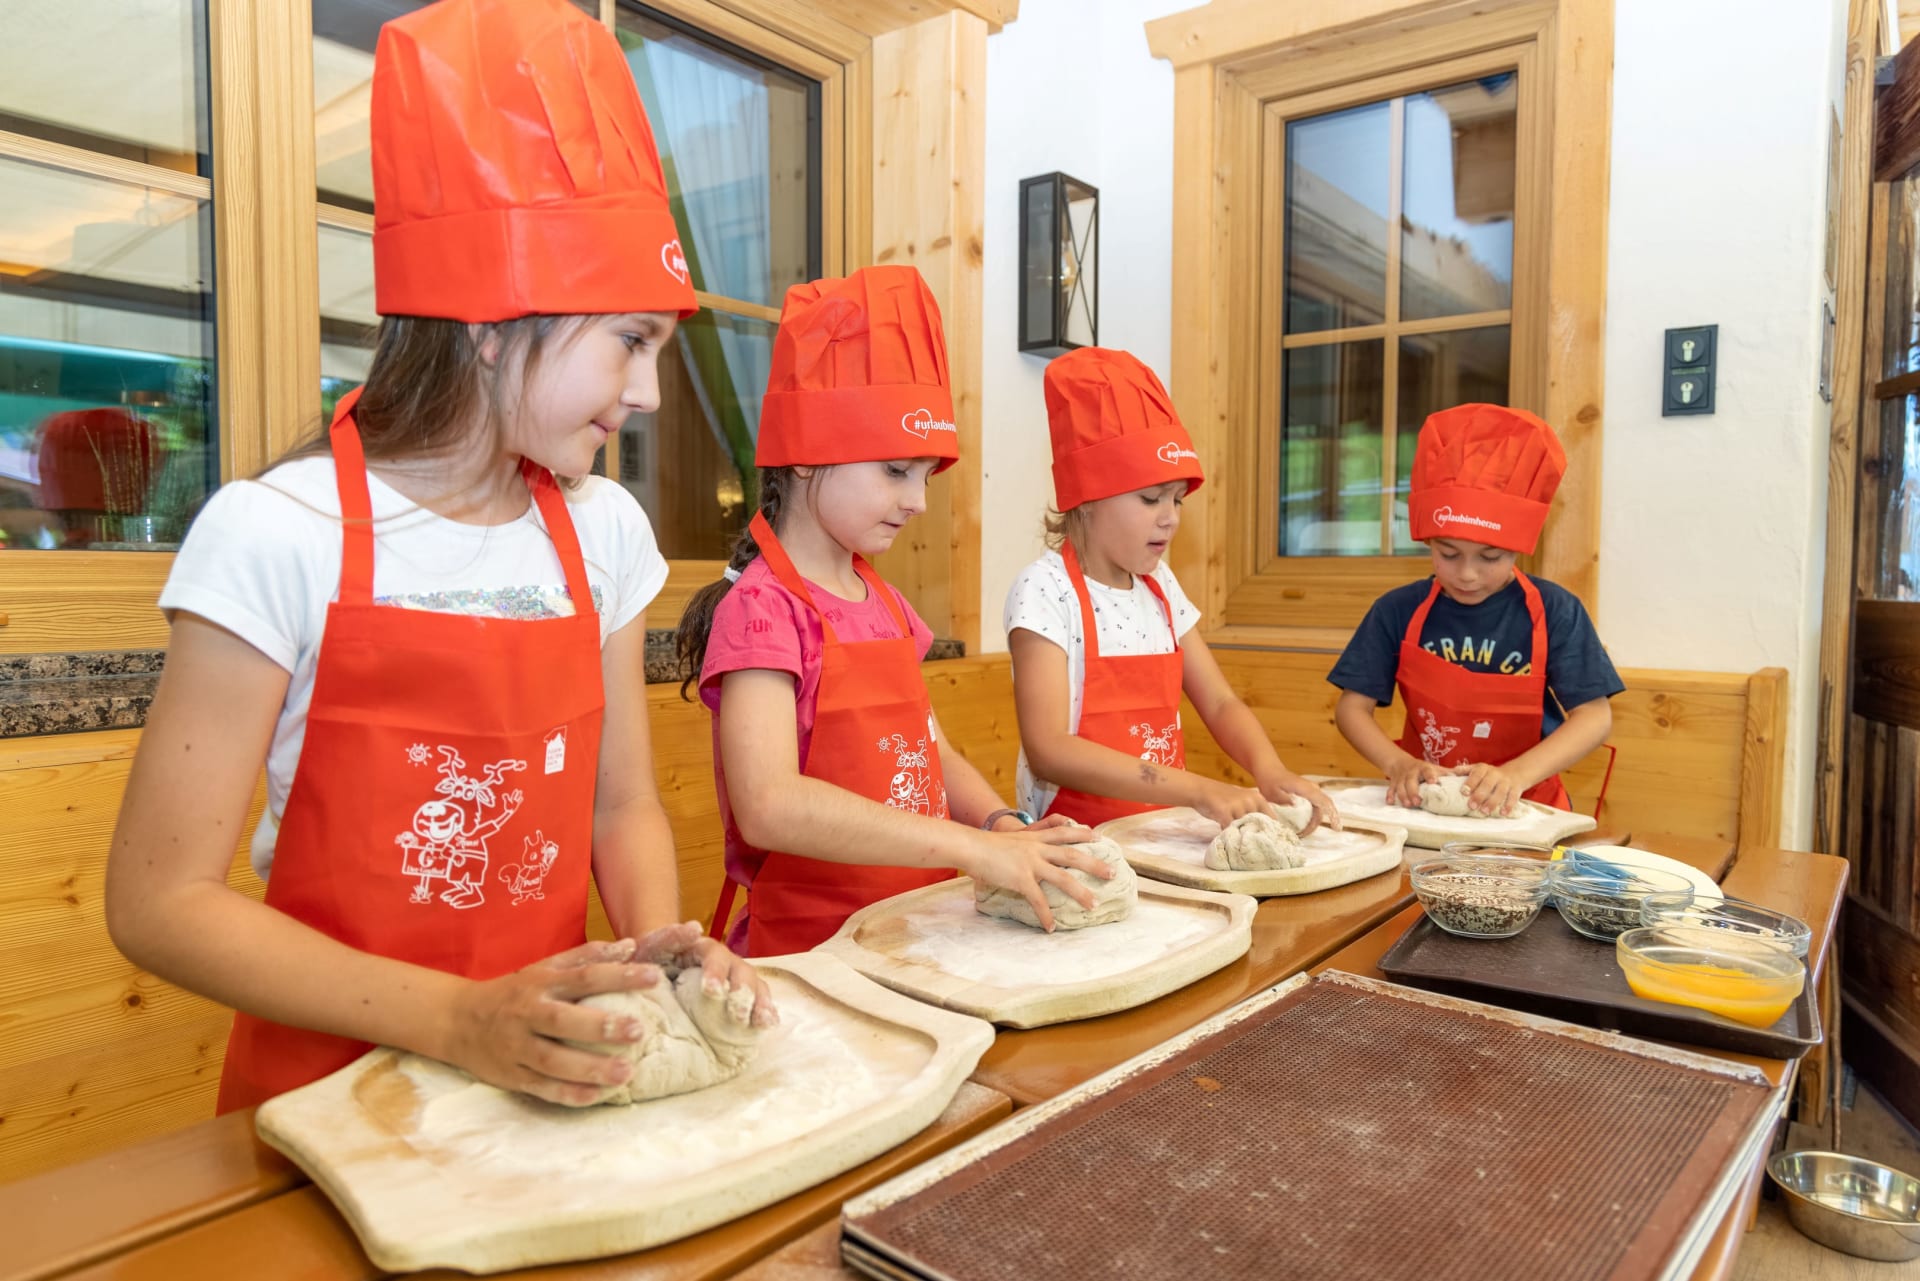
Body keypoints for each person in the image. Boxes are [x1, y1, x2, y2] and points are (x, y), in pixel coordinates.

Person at [105, 0, 767, 1114]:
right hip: (328, 1107)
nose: (651, 392)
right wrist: (461, 1019)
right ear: (491, 323)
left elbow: (618, 808)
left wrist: (658, 951)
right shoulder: (279, 531)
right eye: (630, 340)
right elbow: (158, 902)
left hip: (548, 1085)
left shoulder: (603, 530)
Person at [677, 265, 1109, 956]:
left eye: (926, 476)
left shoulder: (884, 601)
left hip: (917, 934)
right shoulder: (761, 611)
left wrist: (999, 825)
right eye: (895, 471)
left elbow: (932, 752)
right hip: (814, 956)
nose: (918, 501)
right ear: (807, 455)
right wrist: (967, 847)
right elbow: (769, 805)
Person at [1005, 346, 1337, 830]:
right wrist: (1199, 789)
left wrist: (1269, 768)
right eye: (1150, 498)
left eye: (1177, 500)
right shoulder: (1045, 591)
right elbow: (1050, 750)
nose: (1171, 518)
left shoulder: (1160, 587)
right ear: (1086, 497)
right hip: (1078, 843)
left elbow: (1220, 702)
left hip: (1161, 835)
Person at [1328, 403, 1622, 816]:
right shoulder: (1397, 611)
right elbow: (1351, 708)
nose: (1467, 574)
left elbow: (1594, 715)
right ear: (1429, 542)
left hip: (1526, 808)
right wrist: (1397, 764)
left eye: (1490, 557)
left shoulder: (1554, 611)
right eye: (1448, 554)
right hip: (1426, 802)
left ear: (1518, 548)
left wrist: (1516, 775)